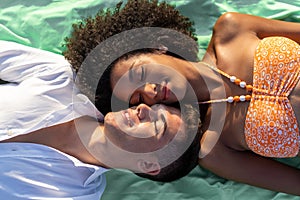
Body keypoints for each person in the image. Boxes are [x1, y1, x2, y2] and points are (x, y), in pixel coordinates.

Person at [63, 0, 300, 195]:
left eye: (140, 74)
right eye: (138, 100)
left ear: (157, 48)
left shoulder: (232, 28)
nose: (148, 91)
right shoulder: (213, 148)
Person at [0, 40, 201, 199]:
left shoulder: (74, 195)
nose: (143, 109)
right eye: (151, 106)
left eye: (157, 124)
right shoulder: (64, 78)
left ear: (148, 165)